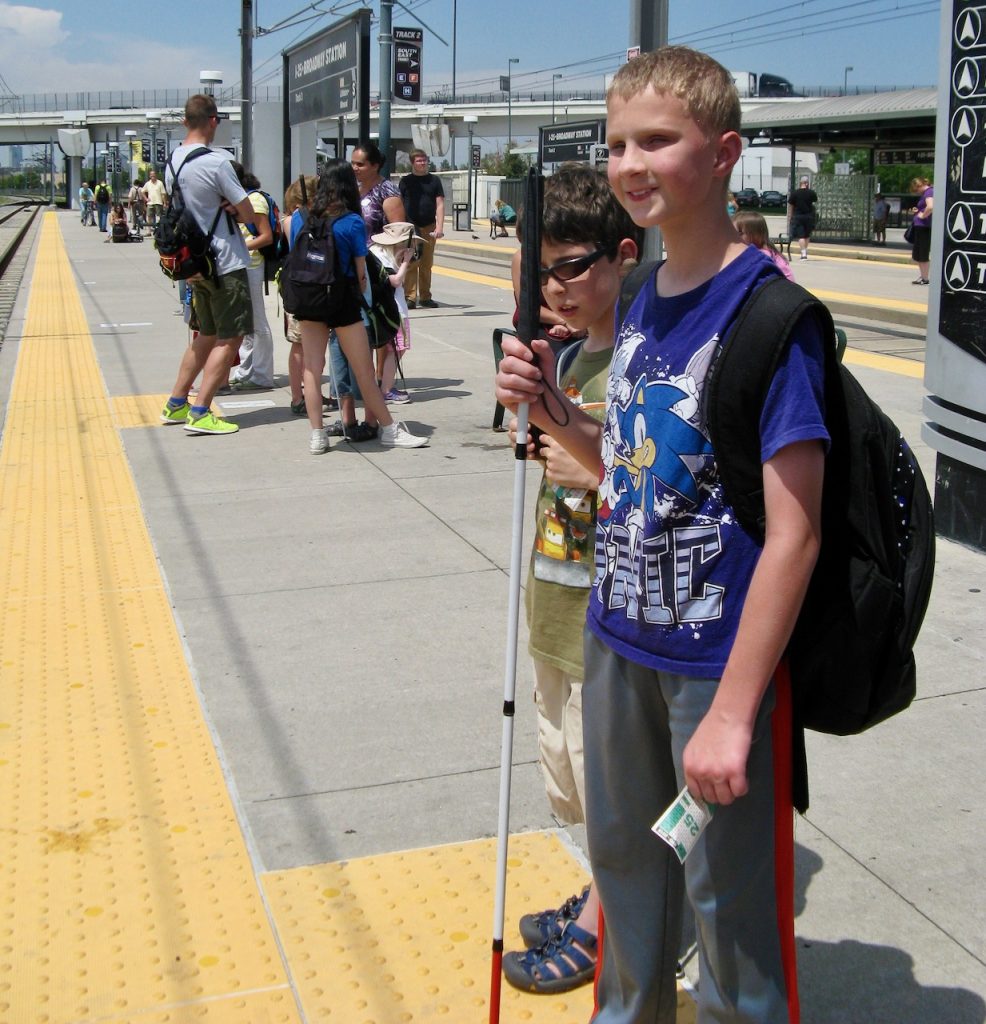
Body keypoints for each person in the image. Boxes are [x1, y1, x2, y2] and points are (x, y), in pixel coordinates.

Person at [495, 45, 828, 1023]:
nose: (630, 164)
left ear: (722, 152)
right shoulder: (643, 307)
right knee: (628, 901)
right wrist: (555, 411)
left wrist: (732, 712)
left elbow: (792, 533)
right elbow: (635, 471)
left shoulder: (770, 315)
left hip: (707, 667)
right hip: (616, 643)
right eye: (615, 144)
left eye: (656, 140)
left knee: (727, 932)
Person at [500, 163, 642, 997]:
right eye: (540, 269)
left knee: (610, 782)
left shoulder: (629, 360)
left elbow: (641, 481)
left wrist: (581, 455)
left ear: (623, 257)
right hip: (554, 597)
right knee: (573, 776)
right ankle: (603, 886)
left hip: (606, 613)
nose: (556, 288)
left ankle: (612, 924)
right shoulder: (567, 353)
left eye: (573, 267)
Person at [287, 159, 427, 453]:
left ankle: (317, 436)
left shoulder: (300, 217)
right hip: (342, 303)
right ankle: (389, 429)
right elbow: (362, 275)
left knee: (312, 369)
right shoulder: (351, 221)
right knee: (363, 370)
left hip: (308, 301)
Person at [159, 93, 257, 436]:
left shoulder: (173, 162)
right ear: (213, 120)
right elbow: (247, 210)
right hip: (224, 261)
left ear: (185, 121)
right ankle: (201, 411)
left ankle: (176, 402)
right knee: (231, 338)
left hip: (194, 263)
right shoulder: (217, 161)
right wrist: (235, 211)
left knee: (206, 334)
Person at [352, 141, 407, 406]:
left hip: (381, 265)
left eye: (360, 164)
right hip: (359, 263)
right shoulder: (354, 189)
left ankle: (385, 383)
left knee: (386, 322)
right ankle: (371, 381)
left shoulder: (387, 190)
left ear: (375, 165)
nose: (355, 168)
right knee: (364, 325)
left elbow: (400, 233)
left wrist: (399, 267)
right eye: (353, 163)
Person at [226, 164, 275, 391]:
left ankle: (263, 375)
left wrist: (240, 246)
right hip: (241, 265)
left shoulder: (253, 201)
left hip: (252, 266)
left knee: (258, 322)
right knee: (246, 324)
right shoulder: (240, 199)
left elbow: (266, 237)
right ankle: (246, 371)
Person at [367, 220, 421, 404]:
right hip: (394, 310)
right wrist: (406, 261)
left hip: (383, 309)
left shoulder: (375, 252)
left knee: (392, 348)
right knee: (399, 347)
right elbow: (395, 281)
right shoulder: (382, 257)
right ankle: (387, 389)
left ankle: (384, 386)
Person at [399, 149, 445, 308]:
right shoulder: (405, 181)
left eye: (424, 160)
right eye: (419, 161)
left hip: (429, 226)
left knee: (426, 263)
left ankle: (425, 296)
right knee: (411, 262)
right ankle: (410, 297)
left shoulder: (434, 181)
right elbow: (399, 203)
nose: (423, 163)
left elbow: (440, 204)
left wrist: (439, 226)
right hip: (411, 226)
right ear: (412, 163)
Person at [733, 209, 795, 280]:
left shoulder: (762, 256)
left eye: (739, 233)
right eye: (732, 232)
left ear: (756, 235)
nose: (733, 236)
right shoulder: (760, 251)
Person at [909, 176, 933, 285]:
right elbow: (925, 207)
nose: (917, 192)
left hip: (924, 227)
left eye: (916, 190)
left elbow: (930, 206)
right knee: (918, 254)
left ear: (919, 185)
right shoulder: (926, 193)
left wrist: (922, 216)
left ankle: (925, 278)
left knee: (922, 253)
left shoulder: (929, 192)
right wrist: (917, 211)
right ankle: (923, 276)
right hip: (920, 226)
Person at [787, 174, 817, 261]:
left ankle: (803, 254)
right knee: (807, 235)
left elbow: (791, 206)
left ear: (800, 183)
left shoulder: (795, 193)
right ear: (807, 183)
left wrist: (790, 217)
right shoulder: (811, 193)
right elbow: (814, 202)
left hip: (798, 216)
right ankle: (804, 251)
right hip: (808, 216)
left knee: (801, 236)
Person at [142, 169, 168, 234]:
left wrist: (164, 203)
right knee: (148, 216)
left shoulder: (160, 183)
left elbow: (163, 194)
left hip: (158, 202)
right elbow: (142, 191)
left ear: (156, 175)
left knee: (159, 217)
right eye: (151, 175)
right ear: (150, 176)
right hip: (150, 203)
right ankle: (149, 231)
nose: (153, 176)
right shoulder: (147, 183)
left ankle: (158, 230)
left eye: (154, 175)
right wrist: (146, 198)